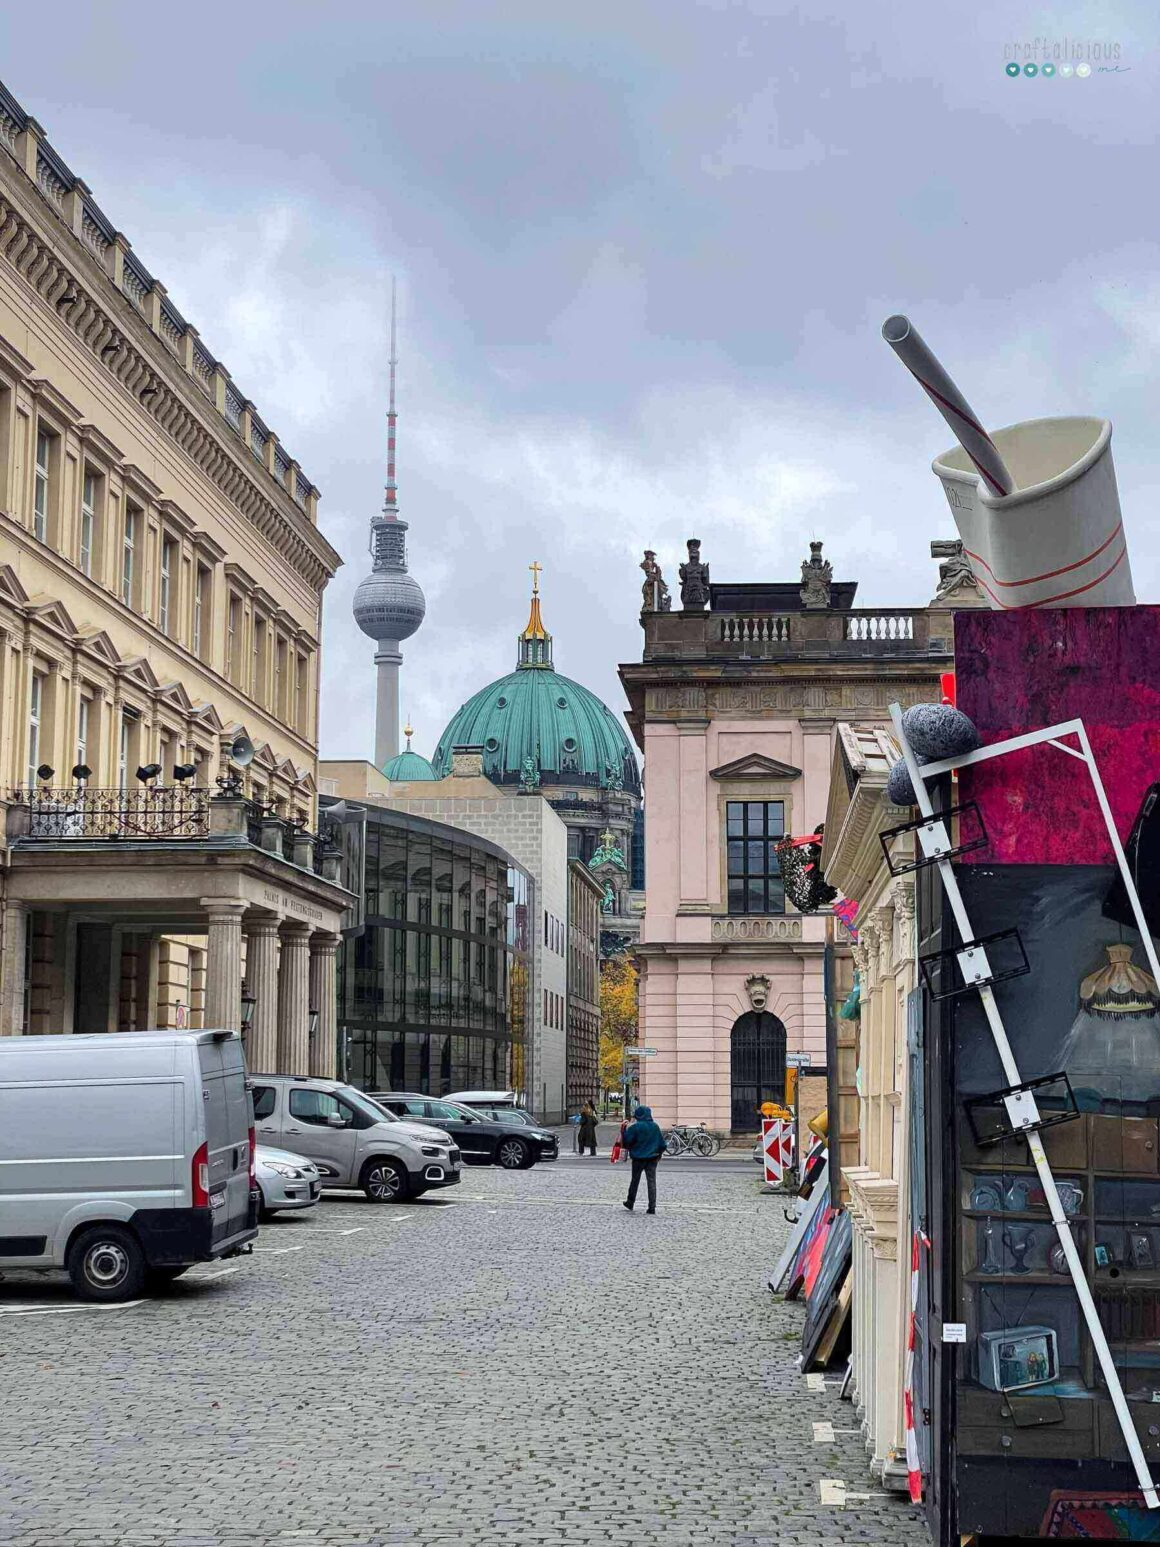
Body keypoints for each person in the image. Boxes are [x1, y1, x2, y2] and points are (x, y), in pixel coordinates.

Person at [621, 1104, 665, 1214]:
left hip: (638, 1158)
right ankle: (652, 1207)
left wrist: (624, 1130)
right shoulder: (655, 1126)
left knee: (635, 1181)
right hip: (652, 1158)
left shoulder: (635, 1127)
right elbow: (662, 1144)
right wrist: (658, 1154)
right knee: (651, 1182)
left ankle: (630, 1202)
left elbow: (627, 1142)